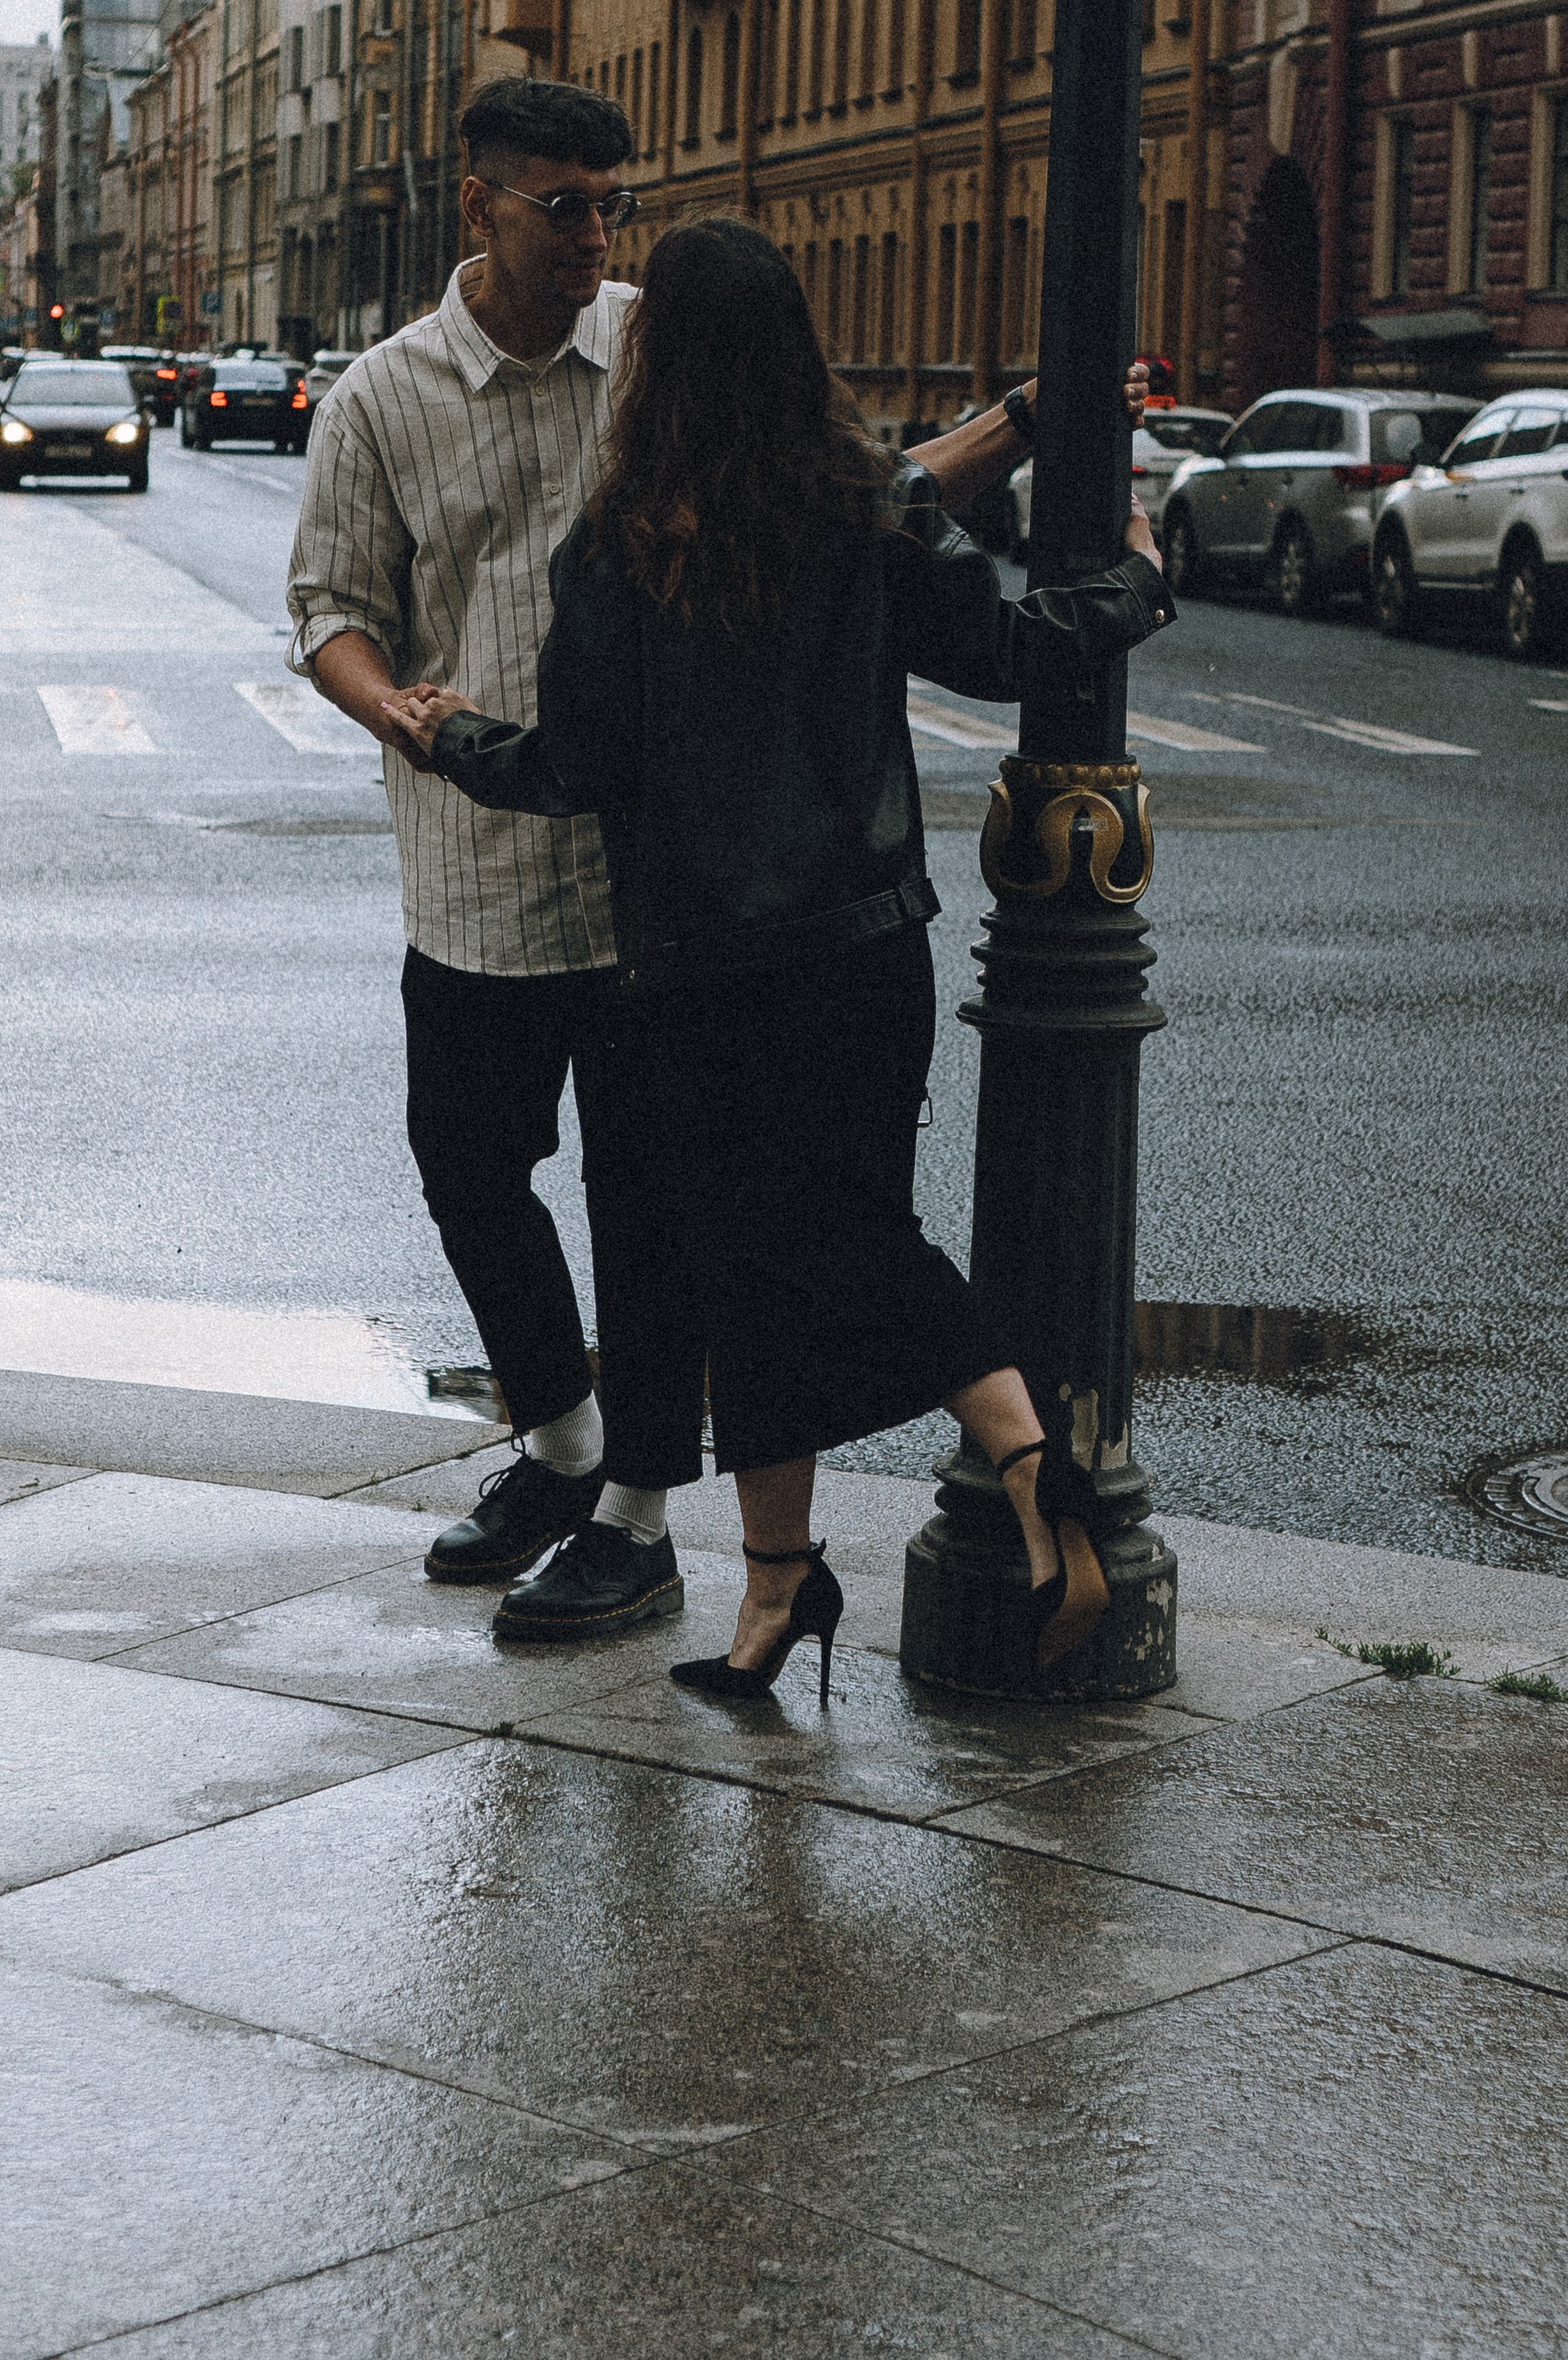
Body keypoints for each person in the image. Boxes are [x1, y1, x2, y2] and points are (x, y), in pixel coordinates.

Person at [287, 80, 1069, 1646]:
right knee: (470, 1171)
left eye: (609, 203)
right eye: (563, 205)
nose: (594, 236)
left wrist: (1020, 425)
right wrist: (404, 712)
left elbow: (853, 493)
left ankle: (640, 1512)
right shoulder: (382, 395)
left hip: (656, 895)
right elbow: (329, 609)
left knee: (657, 1216)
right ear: (482, 206)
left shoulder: (666, 339)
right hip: (474, 875)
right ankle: (562, 1447)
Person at [407, 214, 1173, 1700]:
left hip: (695, 978)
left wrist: (451, 737)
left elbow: (573, 768)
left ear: (659, 369)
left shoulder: (620, 551)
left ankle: (1018, 1473)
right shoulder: (864, 511)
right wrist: (1137, 581)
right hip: (863, 959)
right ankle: (785, 1592)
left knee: (762, 1267)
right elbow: (1014, 650)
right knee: (840, 1240)